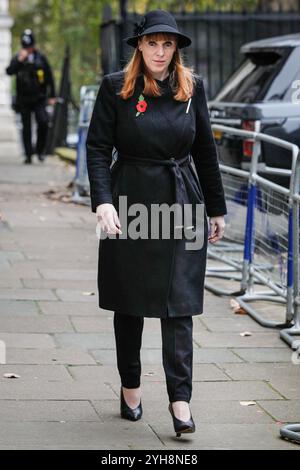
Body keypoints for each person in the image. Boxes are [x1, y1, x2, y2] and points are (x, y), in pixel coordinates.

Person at [86, 9, 227, 438]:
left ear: (176, 49)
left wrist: (216, 209)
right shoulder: (116, 87)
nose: (160, 52)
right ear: (140, 46)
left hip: (181, 199)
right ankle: (131, 388)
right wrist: (103, 203)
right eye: (153, 43)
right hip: (130, 200)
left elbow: (205, 150)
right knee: (129, 303)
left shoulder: (192, 89)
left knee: (179, 302)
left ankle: (179, 401)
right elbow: (96, 148)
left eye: (168, 44)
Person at [6, 29, 56, 164]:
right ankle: (28, 154)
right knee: (26, 127)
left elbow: (49, 77)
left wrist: (52, 95)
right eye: (25, 47)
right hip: (23, 99)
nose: (27, 49)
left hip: (39, 98)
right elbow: (9, 71)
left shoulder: (41, 58)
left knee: (43, 122)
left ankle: (40, 151)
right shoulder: (18, 58)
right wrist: (19, 60)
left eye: (29, 47)